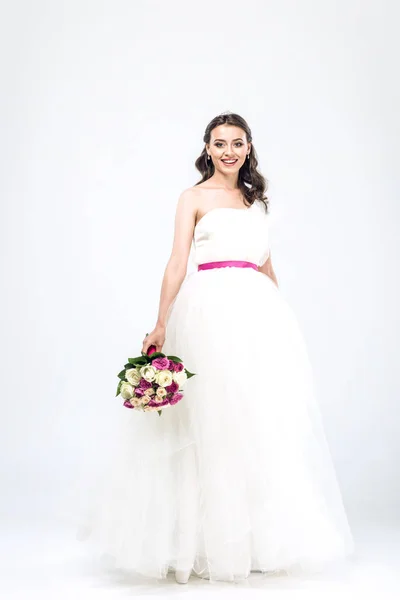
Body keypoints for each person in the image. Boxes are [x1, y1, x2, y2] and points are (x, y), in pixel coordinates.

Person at [73, 112, 355, 585]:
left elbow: (265, 265)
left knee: (255, 420)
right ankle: (201, 543)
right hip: (209, 311)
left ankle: (254, 540)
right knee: (211, 420)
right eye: (219, 142)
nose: (228, 150)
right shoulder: (193, 198)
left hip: (257, 313)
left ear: (248, 148)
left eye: (237, 142)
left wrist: (280, 318)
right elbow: (177, 261)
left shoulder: (256, 201)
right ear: (207, 148)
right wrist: (161, 321)